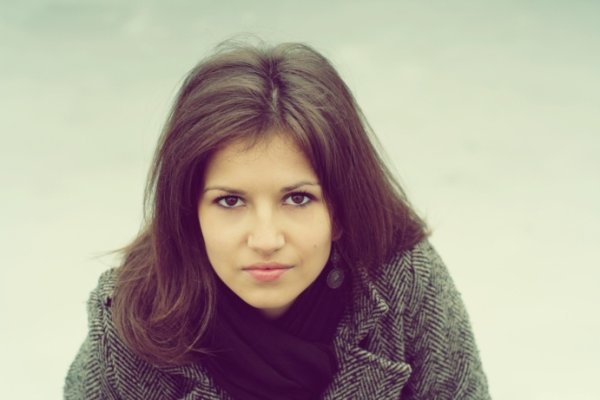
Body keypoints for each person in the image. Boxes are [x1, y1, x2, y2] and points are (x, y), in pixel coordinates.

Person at [64, 40, 490, 400]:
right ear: (189, 214)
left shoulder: (403, 280)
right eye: (230, 201)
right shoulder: (131, 323)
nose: (266, 240)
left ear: (341, 209)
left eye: (298, 198)